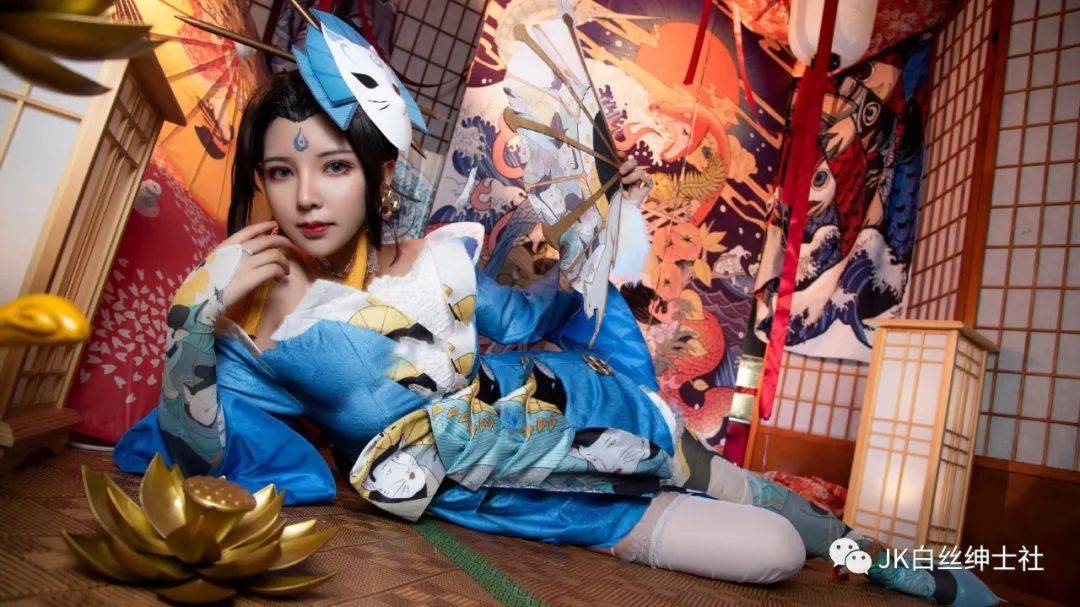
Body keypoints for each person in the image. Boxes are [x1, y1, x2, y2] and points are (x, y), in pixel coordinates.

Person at [114, 10, 997, 605]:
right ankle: (822, 543)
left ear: (375, 172)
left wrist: (534, 270)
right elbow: (201, 455)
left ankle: (898, 565)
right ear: (260, 179)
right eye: (281, 169)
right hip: (528, 496)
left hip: (586, 413)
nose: (307, 194)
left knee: (773, 504)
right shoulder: (253, 321)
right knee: (770, 551)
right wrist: (195, 318)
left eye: (334, 165)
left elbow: (532, 323)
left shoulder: (441, 254)